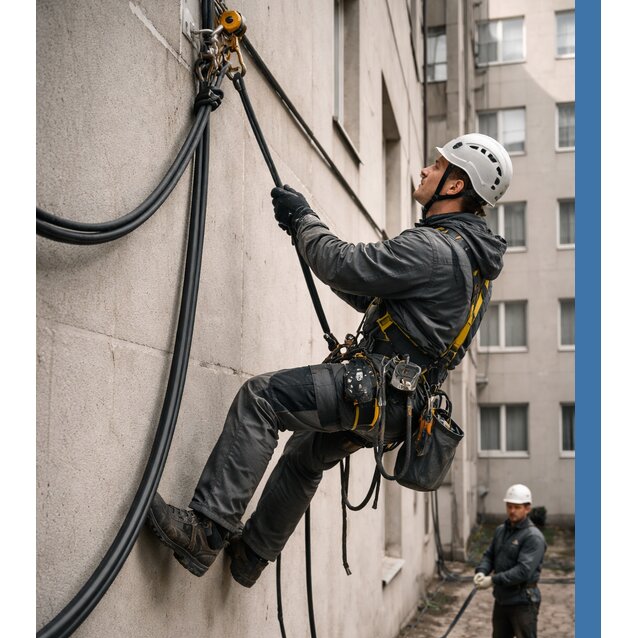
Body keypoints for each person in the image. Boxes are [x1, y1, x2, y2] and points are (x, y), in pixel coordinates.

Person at [146, 133, 512, 589]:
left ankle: (205, 531)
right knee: (305, 453)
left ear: (455, 186)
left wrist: (303, 220)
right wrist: (306, 240)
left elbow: (343, 264)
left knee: (262, 398)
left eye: (436, 167)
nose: (423, 171)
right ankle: (251, 557)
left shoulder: (433, 249)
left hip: (372, 391)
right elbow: (367, 292)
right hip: (395, 410)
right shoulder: (472, 266)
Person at [474, 484, 548, 638]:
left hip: (523, 601)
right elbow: (489, 555)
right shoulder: (501, 530)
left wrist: (492, 580)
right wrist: (481, 571)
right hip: (503, 600)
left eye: (517, 507)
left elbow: (523, 571)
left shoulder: (533, 537)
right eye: (509, 506)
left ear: (527, 508)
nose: (512, 511)